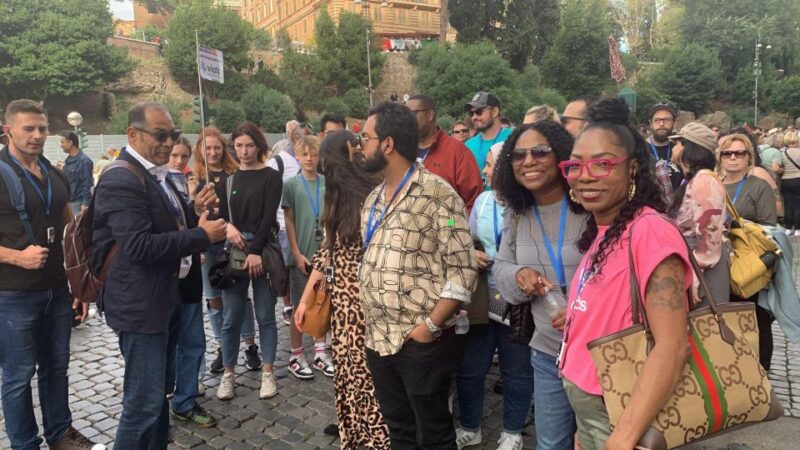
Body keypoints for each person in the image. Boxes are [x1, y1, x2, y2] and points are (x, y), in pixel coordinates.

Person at [559, 97, 692, 449]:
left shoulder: (649, 230)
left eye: (602, 164)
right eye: (575, 165)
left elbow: (673, 345)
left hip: (620, 415)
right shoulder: (605, 228)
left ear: (632, 167)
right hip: (593, 411)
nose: (585, 176)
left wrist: (621, 438)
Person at [92, 102, 226, 449]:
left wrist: (193, 209)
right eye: (161, 135)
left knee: (156, 401)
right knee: (142, 404)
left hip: (163, 298)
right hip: (140, 307)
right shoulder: (122, 177)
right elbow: (139, 246)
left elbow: (165, 225)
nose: (169, 143)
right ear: (133, 134)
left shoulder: (158, 174)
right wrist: (203, 236)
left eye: (174, 135)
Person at [359, 102, 477, 449]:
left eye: (365, 137)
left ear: (388, 144)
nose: (359, 145)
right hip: (378, 338)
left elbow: (462, 268)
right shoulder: (373, 199)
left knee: (434, 434)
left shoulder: (439, 194)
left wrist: (431, 326)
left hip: (419, 341)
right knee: (399, 430)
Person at [0, 100, 97, 449]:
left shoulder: (54, 173)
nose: (37, 135)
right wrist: (15, 256)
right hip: (12, 294)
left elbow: (70, 228)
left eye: (42, 128)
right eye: (29, 128)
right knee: (18, 376)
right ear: (8, 129)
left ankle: (60, 434)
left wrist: (77, 282)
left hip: (57, 289)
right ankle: (25, 444)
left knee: (56, 368)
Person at [490, 121, 585, 450]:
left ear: (560, 155)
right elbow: (500, 266)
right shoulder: (517, 213)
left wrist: (582, 312)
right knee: (550, 444)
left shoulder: (589, 206)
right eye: (518, 155)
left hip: (598, 350)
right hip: (547, 351)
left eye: (540, 151)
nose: (528, 160)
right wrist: (518, 275)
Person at [294, 130, 390, 449]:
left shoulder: (368, 195)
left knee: (360, 373)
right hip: (351, 301)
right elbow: (326, 253)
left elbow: (328, 252)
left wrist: (306, 300)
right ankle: (364, 433)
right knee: (354, 371)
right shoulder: (360, 192)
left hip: (360, 301)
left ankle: (371, 435)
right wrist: (306, 299)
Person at [215, 121, 283, 400]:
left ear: (259, 146)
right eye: (239, 145)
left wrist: (255, 251)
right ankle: (229, 373)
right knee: (231, 317)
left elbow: (269, 217)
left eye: (249, 145)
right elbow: (218, 215)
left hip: (262, 250)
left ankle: (267, 372)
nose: (244, 151)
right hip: (234, 252)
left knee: (266, 315)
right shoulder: (227, 180)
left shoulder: (271, 176)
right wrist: (227, 227)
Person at [191, 128, 261, 374]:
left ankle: (250, 344)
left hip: (233, 242)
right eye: (207, 148)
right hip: (207, 247)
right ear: (200, 149)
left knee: (240, 296)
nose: (212, 152)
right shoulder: (194, 177)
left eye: (216, 147)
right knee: (213, 299)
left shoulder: (234, 174)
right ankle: (223, 346)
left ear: (223, 149)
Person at [165, 137, 217, 426]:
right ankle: (165, 396)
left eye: (184, 156)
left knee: (194, 341)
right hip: (165, 279)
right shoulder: (154, 183)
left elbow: (191, 222)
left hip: (189, 278)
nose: (179, 160)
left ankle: (185, 399)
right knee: (166, 344)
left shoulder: (186, 183)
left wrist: (197, 209)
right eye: (175, 155)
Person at [717, 133, 778, 371]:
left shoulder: (758, 187)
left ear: (749, 157)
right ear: (720, 156)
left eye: (739, 153)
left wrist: (734, 225)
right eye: (727, 153)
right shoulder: (713, 183)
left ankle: (761, 374)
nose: (733, 157)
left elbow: (768, 230)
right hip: (718, 265)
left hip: (747, 265)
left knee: (757, 319)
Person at [282, 135, 334, 379]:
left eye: (313, 154)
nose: (310, 158)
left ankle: (320, 352)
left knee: (322, 301)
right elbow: (289, 220)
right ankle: (296, 353)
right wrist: (296, 252)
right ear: (298, 157)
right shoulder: (291, 184)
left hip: (323, 254)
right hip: (302, 255)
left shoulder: (327, 182)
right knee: (298, 306)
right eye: (304, 154)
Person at [668, 122, 730, 306]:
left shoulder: (704, 180)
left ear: (690, 148)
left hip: (703, 264)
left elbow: (710, 230)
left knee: (706, 327)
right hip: (694, 259)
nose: (674, 147)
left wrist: (696, 271)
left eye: (679, 142)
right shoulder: (694, 179)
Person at [408, 94, 483, 211]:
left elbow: (473, 203)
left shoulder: (458, 152)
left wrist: (450, 224)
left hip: (448, 225)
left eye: (412, 114)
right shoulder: (402, 151)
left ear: (430, 115)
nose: (407, 119)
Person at [268, 120, 304, 325]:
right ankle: (288, 305)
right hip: (283, 225)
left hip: (307, 225)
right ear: (291, 137)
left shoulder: (309, 159)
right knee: (287, 267)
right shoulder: (278, 161)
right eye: (299, 135)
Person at [465, 92, 513, 172]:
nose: (474, 117)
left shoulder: (512, 138)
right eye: (471, 113)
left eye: (479, 112)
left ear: (494, 112)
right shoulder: (468, 145)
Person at [647, 102, 683, 195]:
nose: (661, 124)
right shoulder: (640, 149)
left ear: (674, 123)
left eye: (666, 120)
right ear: (650, 123)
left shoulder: (681, 149)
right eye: (657, 120)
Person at [60, 131, 93, 215]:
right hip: (68, 203)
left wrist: (85, 204)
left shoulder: (84, 161)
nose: (61, 145)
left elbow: (87, 184)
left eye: (62, 142)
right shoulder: (68, 161)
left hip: (77, 204)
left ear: (70, 142)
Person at [777, 131, 800, 235]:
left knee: (787, 204)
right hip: (798, 179)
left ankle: (788, 227)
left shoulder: (782, 153)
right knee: (798, 204)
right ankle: (798, 228)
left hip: (786, 180)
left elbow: (779, 167)